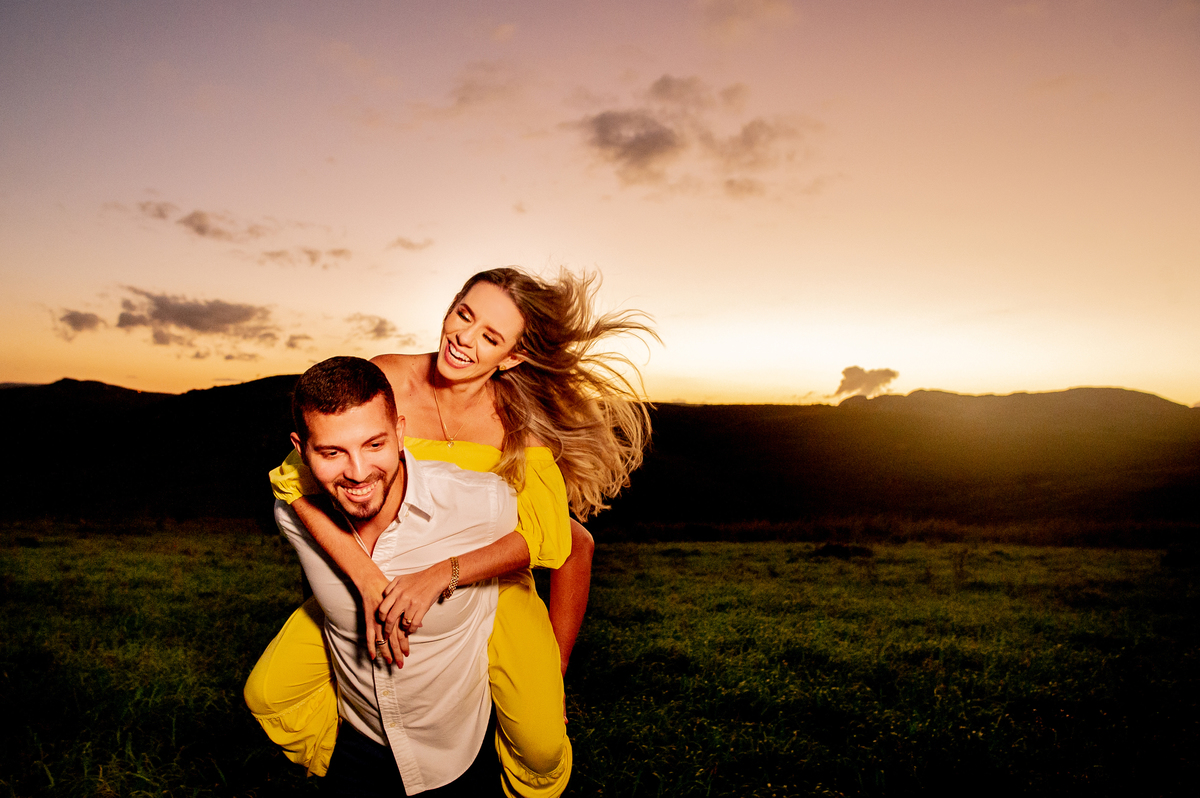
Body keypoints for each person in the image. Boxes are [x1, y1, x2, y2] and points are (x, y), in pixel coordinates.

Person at [245, 267, 655, 798]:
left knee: (541, 744)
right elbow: (295, 484)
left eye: (491, 336)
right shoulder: (386, 378)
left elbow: (552, 537)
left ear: (512, 357)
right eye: (465, 315)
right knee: (271, 693)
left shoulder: (519, 420)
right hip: (373, 566)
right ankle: (363, 753)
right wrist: (367, 580)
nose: (464, 339)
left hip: (492, 583)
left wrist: (449, 578)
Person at [277, 356, 512, 796]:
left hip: (457, 757)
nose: (358, 472)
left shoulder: (480, 502)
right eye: (331, 452)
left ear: (401, 432)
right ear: (301, 448)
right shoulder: (293, 515)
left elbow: (563, 544)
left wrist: (450, 572)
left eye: (374, 445)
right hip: (355, 750)